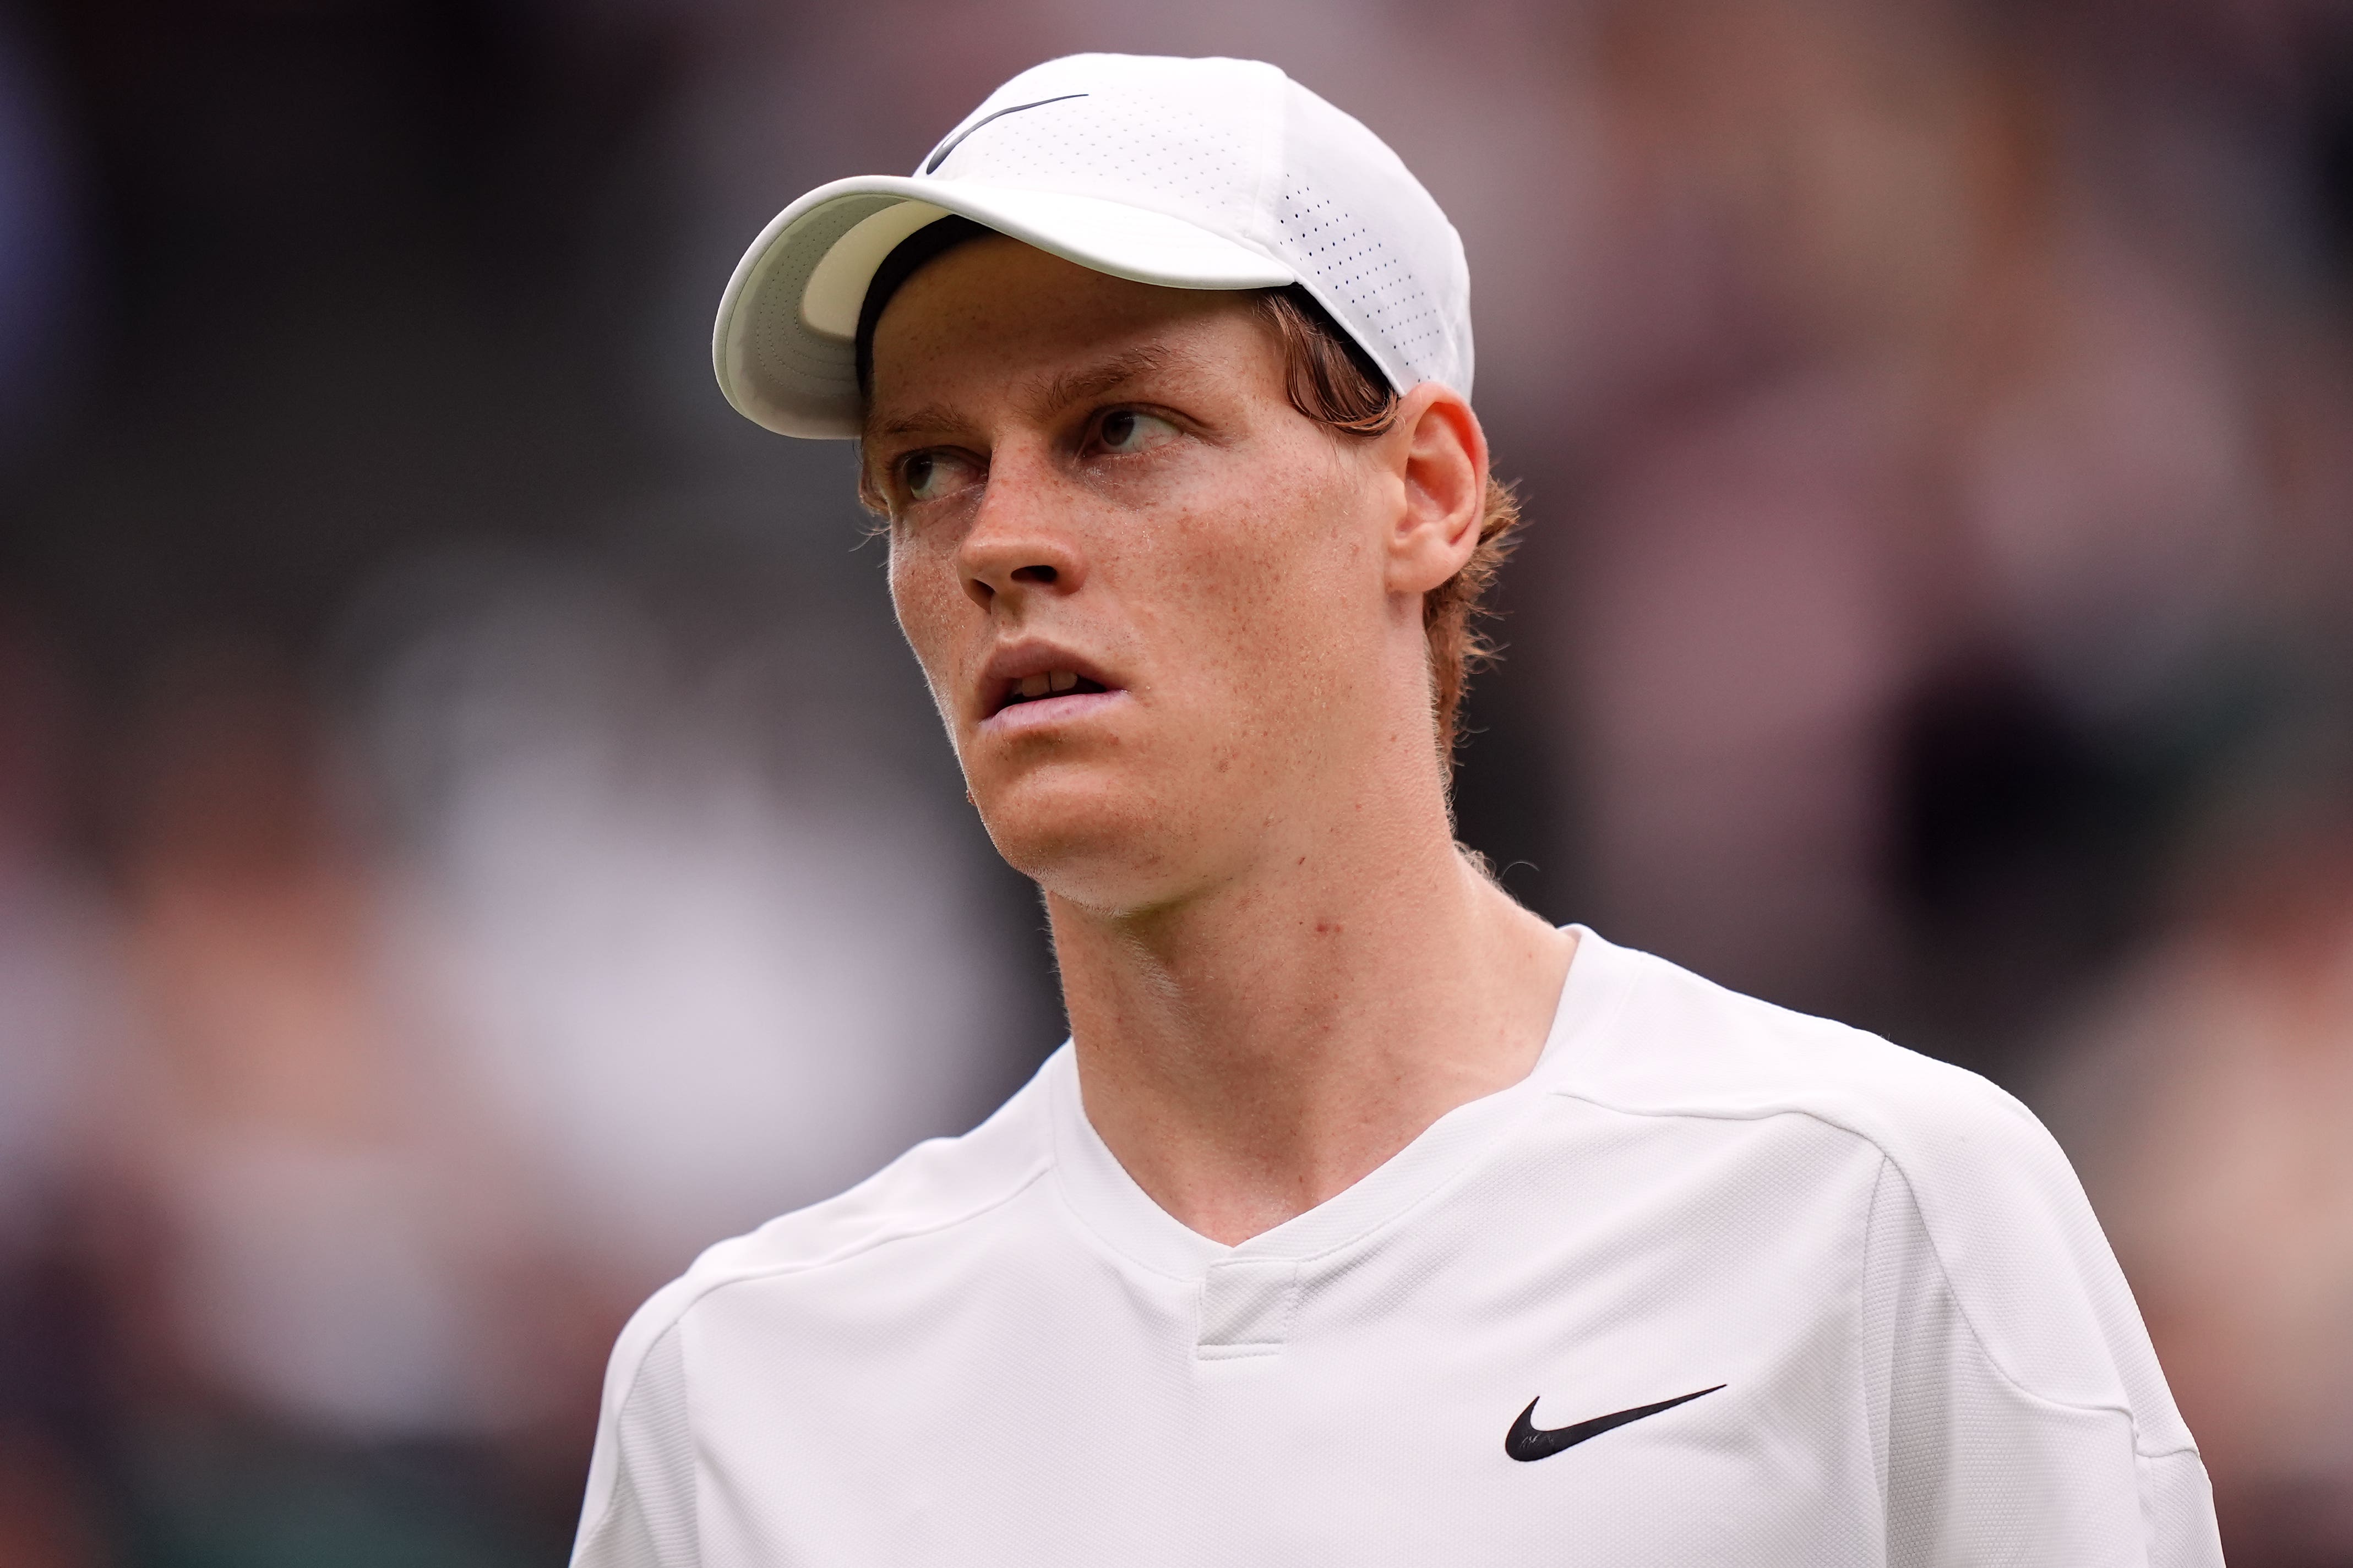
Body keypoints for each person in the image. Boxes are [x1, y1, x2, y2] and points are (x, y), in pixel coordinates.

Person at [571, 54, 2223, 1566]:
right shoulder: (738, 1389)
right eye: (925, 468)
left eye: (1116, 426)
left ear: (1423, 492)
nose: (999, 536)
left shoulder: (1876, 1208)